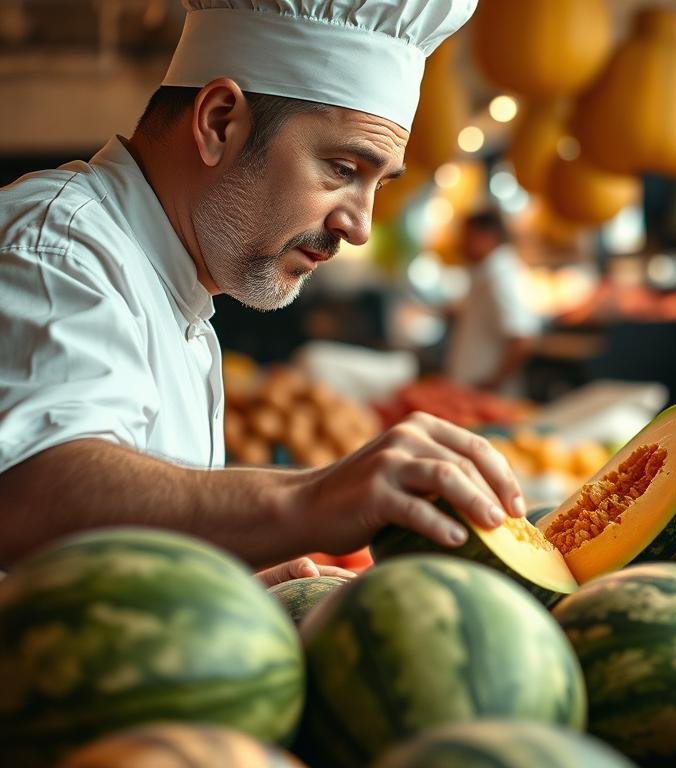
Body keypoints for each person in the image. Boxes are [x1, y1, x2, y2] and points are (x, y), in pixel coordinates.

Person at [0, 0, 529, 585]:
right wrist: (308, 501)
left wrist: (223, 594)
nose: (359, 226)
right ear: (219, 123)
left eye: (379, 184)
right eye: (344, 169)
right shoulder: (56, 247)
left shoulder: (180, 294)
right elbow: (30, 489)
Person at [446, 208, 541, 397]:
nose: (461, 243)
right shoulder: (487, 274)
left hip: (489, 400)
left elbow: (521, 339)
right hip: (472, 394)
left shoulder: (501, 278)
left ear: (487, 237)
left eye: (467, 236)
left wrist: (490, 385)